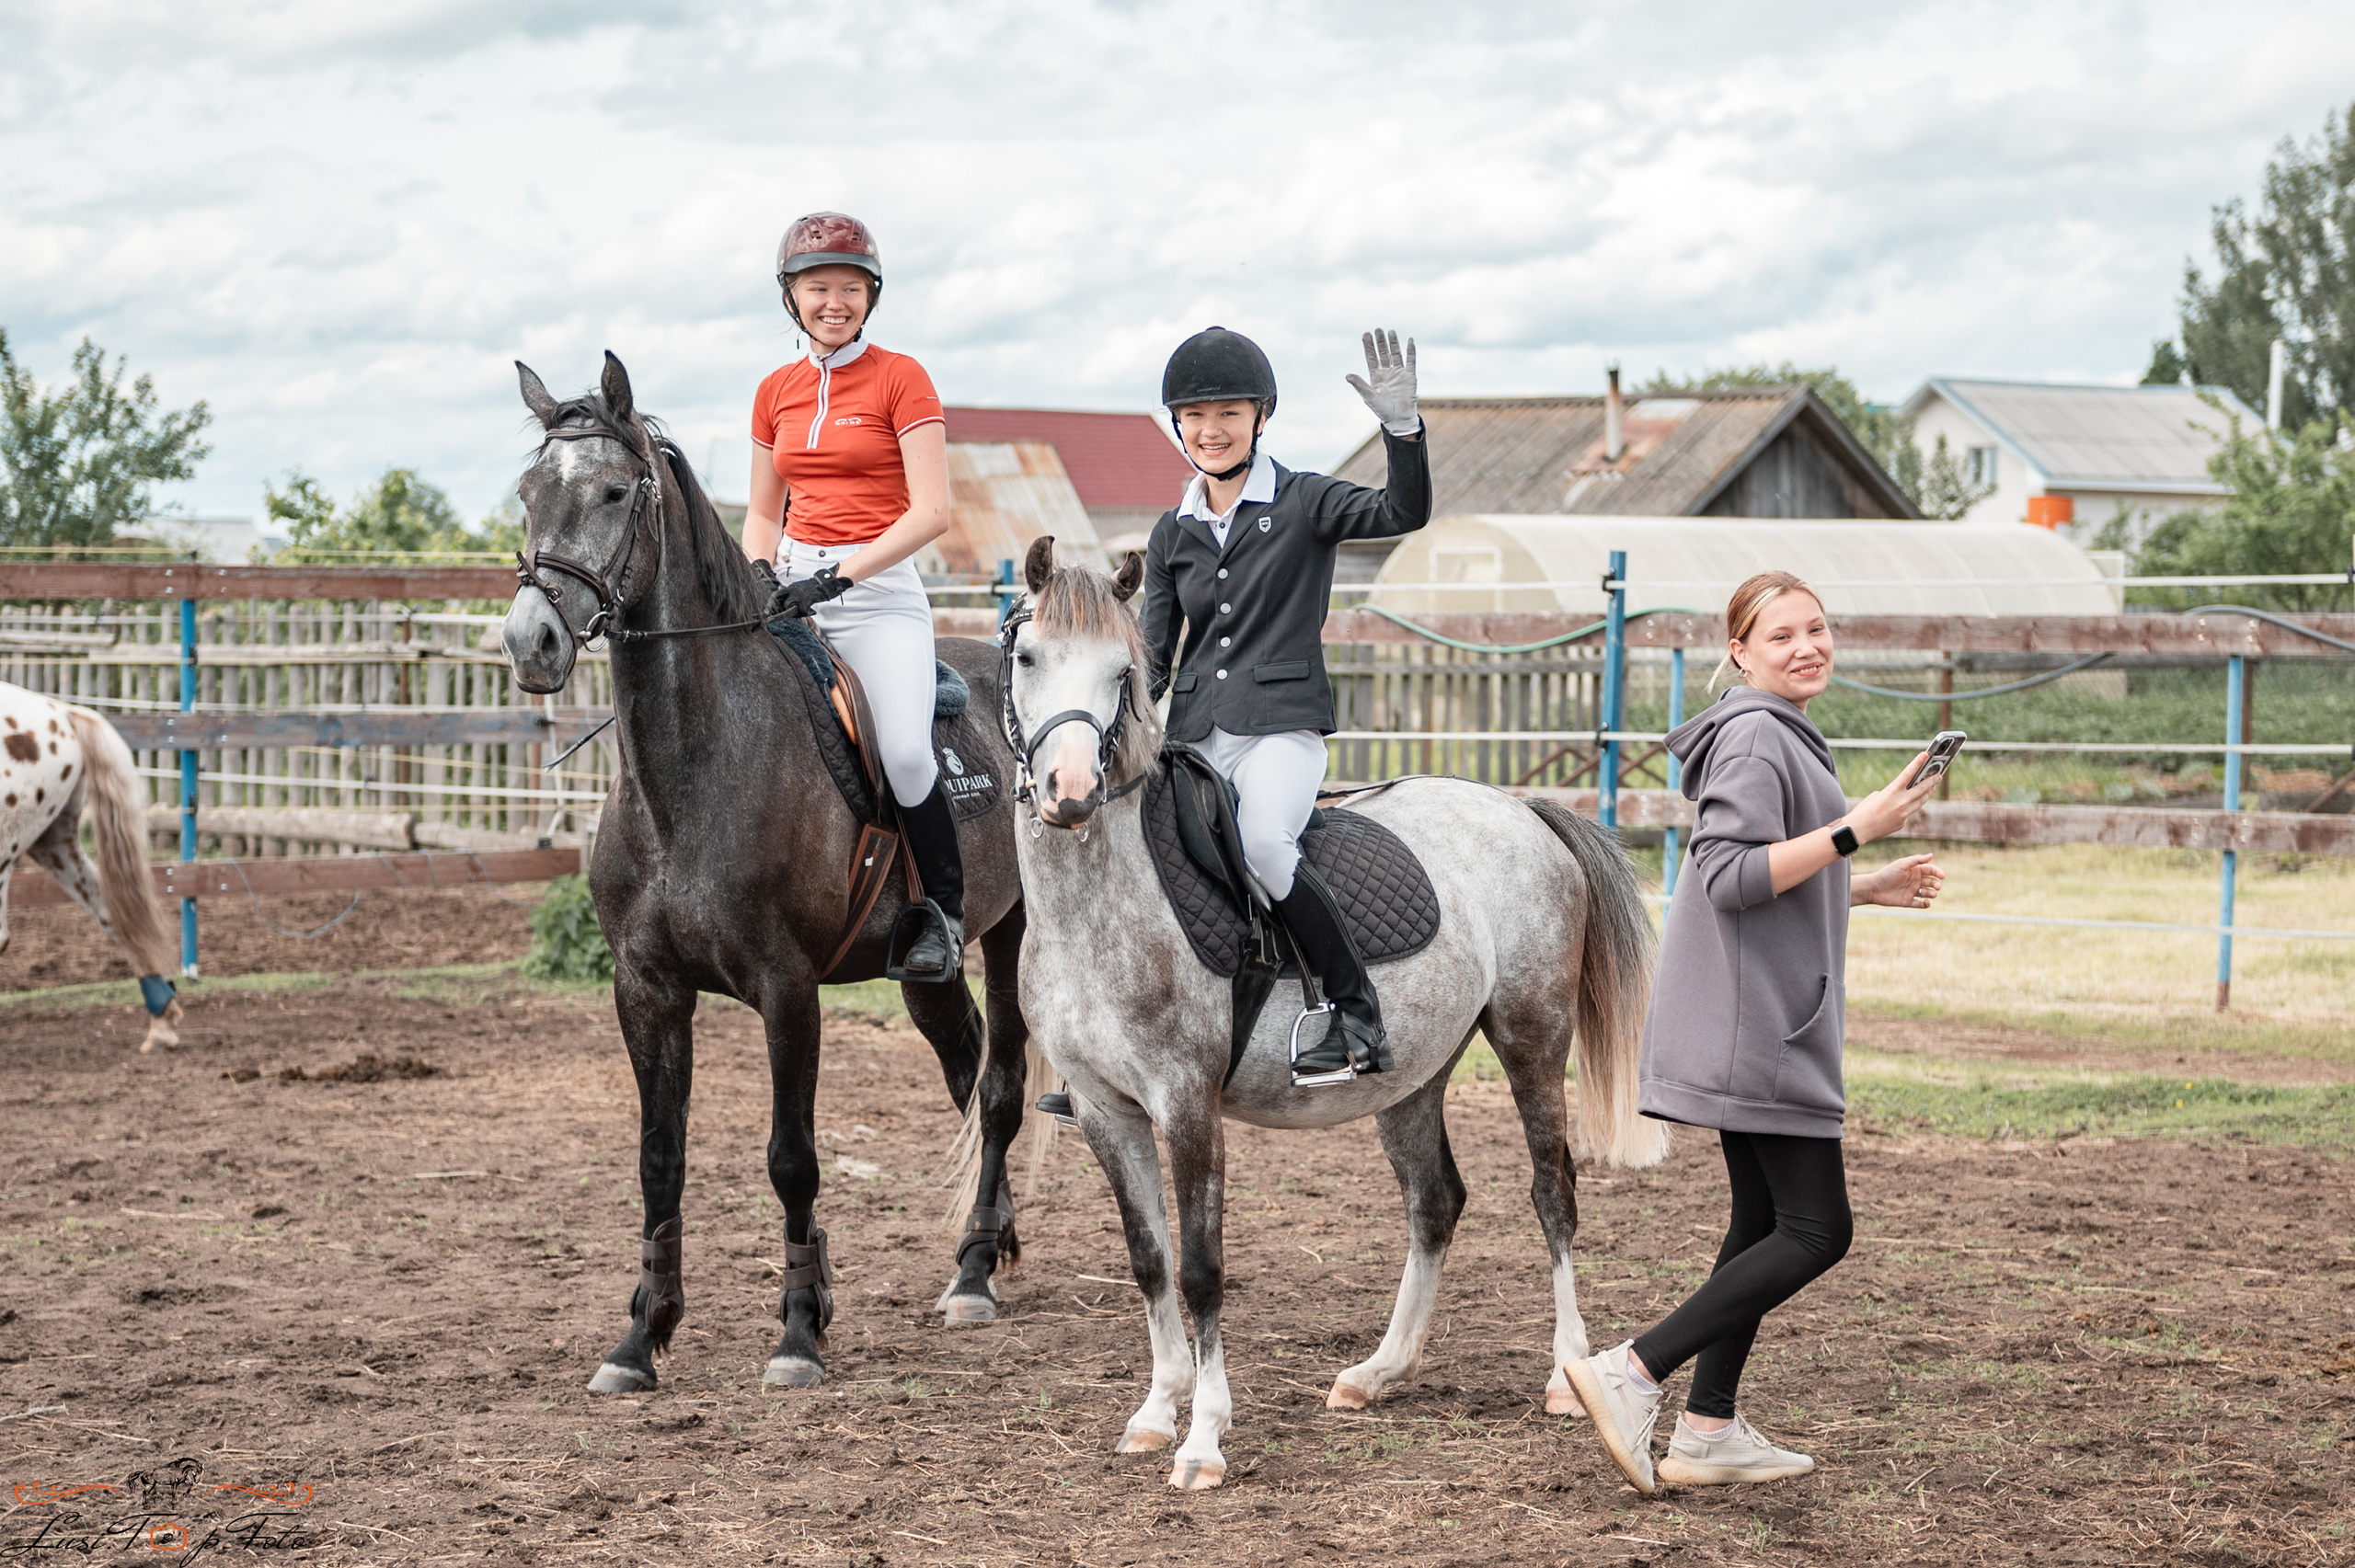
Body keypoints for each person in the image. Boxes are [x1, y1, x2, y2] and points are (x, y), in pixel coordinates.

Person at [1563, 570, 1947, 1494]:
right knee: (1818, 1228)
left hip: (1764, 1016)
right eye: (1781, 635)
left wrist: (1862, 879)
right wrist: (1856, 831)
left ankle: (1706, 1428)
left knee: (1764, 1221)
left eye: (1817, 628)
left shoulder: (1773, 734)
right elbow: (1730, 876)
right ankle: (1632, 1370)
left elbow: (1767, 876)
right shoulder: (1754, 739)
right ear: (1738, 652)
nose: (1807, 645)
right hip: (1759, 1028)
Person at [1131, 325, 1432, 1087]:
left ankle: (1355, 1013)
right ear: (1177, 426)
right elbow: (1154, 659)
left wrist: (1401, 430)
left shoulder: (1306, 501)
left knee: (1266, 845)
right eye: (1195, 416)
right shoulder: (1173, 531)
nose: (1211, 429)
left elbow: (1403, 511)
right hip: (1193, 740)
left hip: (1280, 730)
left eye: (1229, 413)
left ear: (1261, 416)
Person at [742, 211, 963, 981]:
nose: (832, 301)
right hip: (793, 592)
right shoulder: (776, 390)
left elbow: (933, 510)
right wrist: (762, 573)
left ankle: (941, 912)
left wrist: (840, 575)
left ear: (871, 294)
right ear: (791, 298)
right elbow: (765, 511)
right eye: (816, 288)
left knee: (904, 752)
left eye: (848, 287)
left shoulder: (903, 377)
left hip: (877, 595)